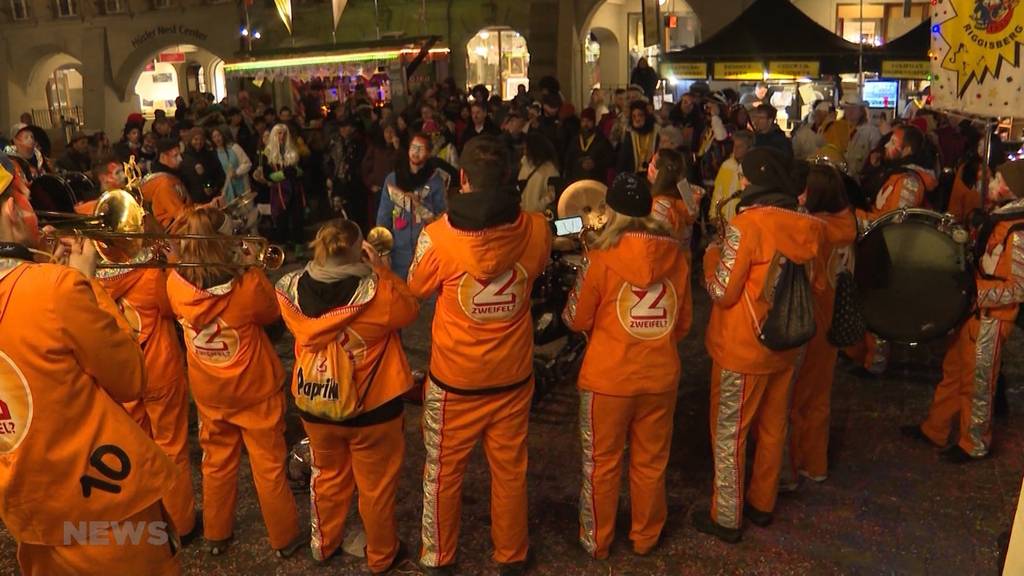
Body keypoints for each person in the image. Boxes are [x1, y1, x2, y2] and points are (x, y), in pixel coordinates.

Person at [0, 155, 180, 575]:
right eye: (27, 199)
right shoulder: (57, 288)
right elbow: (131, 378)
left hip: (31, 511)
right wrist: (84, 281)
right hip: (106, 502)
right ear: (13, 208)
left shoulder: (45, 283)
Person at [407, 135, 552, 575]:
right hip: (512, 377)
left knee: (443, 472)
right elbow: (554, 240)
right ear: (509, 177)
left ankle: (438, 556)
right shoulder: (537, 228)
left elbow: (415, 289)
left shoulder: (436, 238)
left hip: (455, 382)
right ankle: (511, 554)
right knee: (509, 470)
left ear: (463, 178)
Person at [694, 147, 825, 543]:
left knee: (730, 433)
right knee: (773, 427)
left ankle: (727, 516)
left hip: (742, 348)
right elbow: (816, 285)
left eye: (746, 176)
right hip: (789, 344)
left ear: (756, 181)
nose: (743, 182)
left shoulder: (744, 226)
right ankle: (762, 503)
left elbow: (722, 291)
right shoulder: (808, 225)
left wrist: (711, 256)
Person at [275, 219, 418, 571]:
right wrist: (382, 270)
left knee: (326, 475)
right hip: (374, 411)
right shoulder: (379, 294)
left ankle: (323, 544)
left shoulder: (289, 290)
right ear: (359, 249)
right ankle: (382, 555)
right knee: (376, 488)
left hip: (315, 405)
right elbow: (410, 309)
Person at [563, 172, 691, 560]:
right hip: (660, 376)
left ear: (612, 210)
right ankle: (646, 536)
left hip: (608, 379)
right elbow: (682, 324)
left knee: (602, 464)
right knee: (651, 462)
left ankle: (597, 540)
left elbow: (575, 317)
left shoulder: (600, 257)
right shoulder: (677, 258)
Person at [166, 206, 304, 558]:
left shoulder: (174, 284)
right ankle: (284, 538)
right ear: (223, 243)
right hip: (255, 391)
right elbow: (272, 314)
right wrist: (251, 265)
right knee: (270, 466)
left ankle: (216, 534)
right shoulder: (246, 286)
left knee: (216, 463)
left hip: (211, 393)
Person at [902, 159, 1024, 462]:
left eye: (997, 178)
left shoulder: (1019, 231)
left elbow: (1018, 288)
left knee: (978, 382)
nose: (992, 182)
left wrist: (974, 291)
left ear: (1013, 189)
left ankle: (975, 443)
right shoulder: (1000, 220)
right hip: (973, 312)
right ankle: (936, 428)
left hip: (991, 318)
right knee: (954, 372)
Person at [784, 163, 857, 486]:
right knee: (819, 395)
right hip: (835, 316)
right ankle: (816, 462)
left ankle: (798, 460)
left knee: (798, 395)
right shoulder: (847, 222)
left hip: (811, 316)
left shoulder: (816, 228)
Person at [846, 125, 936, 376]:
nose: (886, 146)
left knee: (879, 307)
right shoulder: (897, 174)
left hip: (890, 253)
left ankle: (875, 363)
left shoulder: (908, 180)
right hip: (878, 248)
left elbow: (893, 222)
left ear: (906, 149)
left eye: (892, 143)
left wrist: (852, 216)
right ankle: (861, 353)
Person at [376, 133, 447, 279]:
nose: (415, 152)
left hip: (425, 255)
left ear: (428, 153)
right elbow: (383, 219)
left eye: (421, 148)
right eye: (413, 147)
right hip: (398, 255)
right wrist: (383, 252)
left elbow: (442, 221)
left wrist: (419, 206)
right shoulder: (393, 179)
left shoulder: (435, 181)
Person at [259, 123, 305, 252]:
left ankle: (298, 249)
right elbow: (268, 175)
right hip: (279, 191)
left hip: (295, 189)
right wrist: (283, 174)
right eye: (279, 133)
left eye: (284, 133)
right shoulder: (267, 153)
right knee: (281, 221)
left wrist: (296, 172)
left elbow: (303, 169)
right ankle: (282, 251)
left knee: (297, 219)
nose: (282, 136)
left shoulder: (293, 151)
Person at [210, 127, 255, 233]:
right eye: (214, 137)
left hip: (241, 185)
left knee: (247, 214)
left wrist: (237, 172)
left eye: (218, 135)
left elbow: (247, 163)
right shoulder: (215, 153)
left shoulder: (234, 148)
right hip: (227, 189)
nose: (217, 139)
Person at [142, 139, 193, 230]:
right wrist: (205, 209)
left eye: (180, 155)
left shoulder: (172, 177)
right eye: (175, 156)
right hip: (172, 231)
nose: (180, 159)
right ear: (163, 157)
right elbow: (179, 214)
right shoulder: (164, 182)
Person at [710, 130, 754, 228]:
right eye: (735, 145)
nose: (736, 149)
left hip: (744, 221)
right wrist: (714, 214)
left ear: (749, 148)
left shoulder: (753, 168)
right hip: (725, 219)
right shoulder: (726, 165)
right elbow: (718, 192)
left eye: (740, 146)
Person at [565, 108, 613, 184]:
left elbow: (610, 159)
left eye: (588, 121)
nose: (585, 124)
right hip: (577, 182)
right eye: (583, 121)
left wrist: (595, 164)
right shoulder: (575, 140)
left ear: (594, 122)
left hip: (596, 181)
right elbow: (569, 161)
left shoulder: (601, 140)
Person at [180, 127, 226, 205]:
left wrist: (209, 186)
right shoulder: (184, 158)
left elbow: (217, 175)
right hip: (195, 201)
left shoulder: (210, 155)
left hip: (212, 198)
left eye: (201, 139)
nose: (199, 142)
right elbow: (184, 181)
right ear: (190, 140)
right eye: (196, 139)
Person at [839, 95, 881, 181]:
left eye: (854, 108)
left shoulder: (872, 132)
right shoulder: (838, 130)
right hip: (841, 179)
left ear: (862, 111)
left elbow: (876, 158)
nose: (850, 111)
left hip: (862, 181)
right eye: (847, 108)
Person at [518, 132, 560, 213]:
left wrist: (537, 207)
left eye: (526, 148)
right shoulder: (525, 165)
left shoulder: (550, 170)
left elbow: (551, 195)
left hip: (538, 216)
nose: (524, 151)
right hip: (523, 216)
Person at [617, 101, 659, 176]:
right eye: (634, 116)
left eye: (640, 115)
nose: (637, 119)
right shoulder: (629, 133)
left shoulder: (657, 132)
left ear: (646, 116)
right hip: (633, 175)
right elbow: (624, 158)